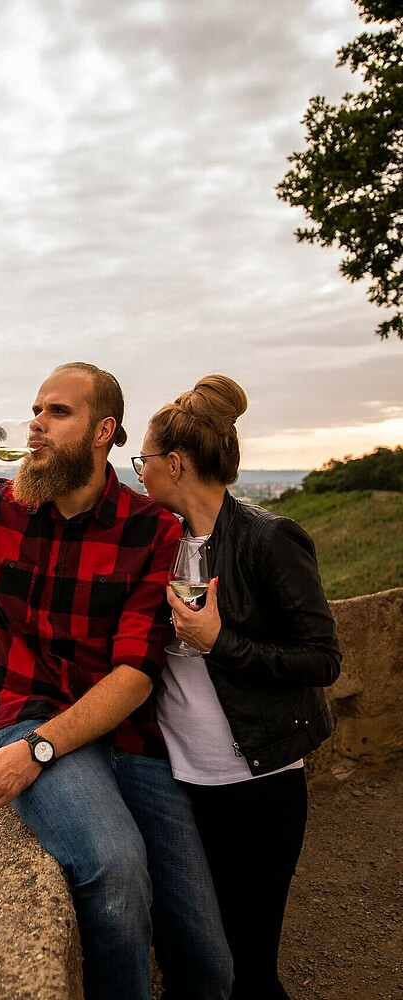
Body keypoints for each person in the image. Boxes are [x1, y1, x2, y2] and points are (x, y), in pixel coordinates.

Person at [0, 362, 232, 1000]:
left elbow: (135, 676)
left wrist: (38, 754)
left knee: (208, 958)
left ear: (103, 431)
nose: (36, 426)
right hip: (26, 709)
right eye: (36, 411)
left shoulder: (152, 528)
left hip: (124, 733)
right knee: (114, 870)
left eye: (57, 413)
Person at [135, 374, 342, 1000]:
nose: (138, 471)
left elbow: (322, 658)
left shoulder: (268, 539)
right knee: (185, 956)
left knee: (249, 966)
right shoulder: (161, 541)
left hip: (256, 788)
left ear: (175, 463)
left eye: (143, 460)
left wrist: (221, 643)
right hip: (176, 786)